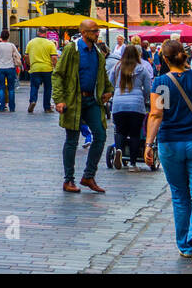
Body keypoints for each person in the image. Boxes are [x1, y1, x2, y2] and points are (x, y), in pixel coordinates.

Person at [147, 40, 192, 264]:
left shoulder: (161, 82)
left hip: (170, 143)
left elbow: (156, 115)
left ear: (164, 59)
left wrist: (148, 144)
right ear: (184, 56)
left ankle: (185, 245)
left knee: (179, 195)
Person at [52, 20, 112, 194]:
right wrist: (59, 100)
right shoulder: (72, 49)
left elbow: (103, 76)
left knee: (100, 135)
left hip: (92, 101)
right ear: (84, 33)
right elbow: (58, 75)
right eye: (94, 31)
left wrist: (109, 90)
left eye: (98, 31)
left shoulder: (97, 52)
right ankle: (68, 179)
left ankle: (88, 176)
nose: (97, 34)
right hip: (73, 101)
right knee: (72, 139)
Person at [108, 45, 152, 173]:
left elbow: (110, 83)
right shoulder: (142, 69)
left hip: (118, 103)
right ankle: (133, 163)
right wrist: (144, 99)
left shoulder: (116, 68)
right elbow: (148, 89)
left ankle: (119, 151)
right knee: (134, 134)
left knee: (120, 131)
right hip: (136, 104)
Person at [26, 28, 58, 113]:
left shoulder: (31, 42)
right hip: (47, 69)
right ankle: (47, 107)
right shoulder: (50, 43)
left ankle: (33, 101)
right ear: (46, 33)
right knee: (47, 88)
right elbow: (54, 57)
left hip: (35, 68)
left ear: (38, 32)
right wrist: (55, 67)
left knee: (34, 86)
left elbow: (26, 56)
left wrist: (30, 64)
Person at [0, 30, 21, 112]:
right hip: (10, 68)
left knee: (1, 88)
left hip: (0, 68)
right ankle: (12, 108)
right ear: (8, 37)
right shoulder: (11, 45)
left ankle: (1, 107)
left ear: (1, 36)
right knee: (11, 88)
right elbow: (18, 55)